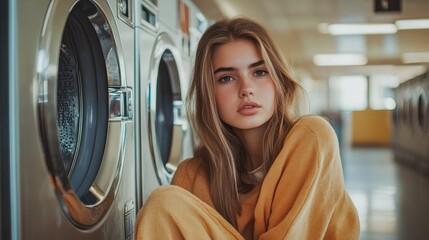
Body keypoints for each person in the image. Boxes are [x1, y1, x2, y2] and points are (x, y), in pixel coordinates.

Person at [135, 17, 360, 239]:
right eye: (227, 78)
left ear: (278, 80)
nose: (246, 89)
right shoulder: (192, 177)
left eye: (259, 72)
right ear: (209, 94)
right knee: (162, 205)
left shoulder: (312, 137)